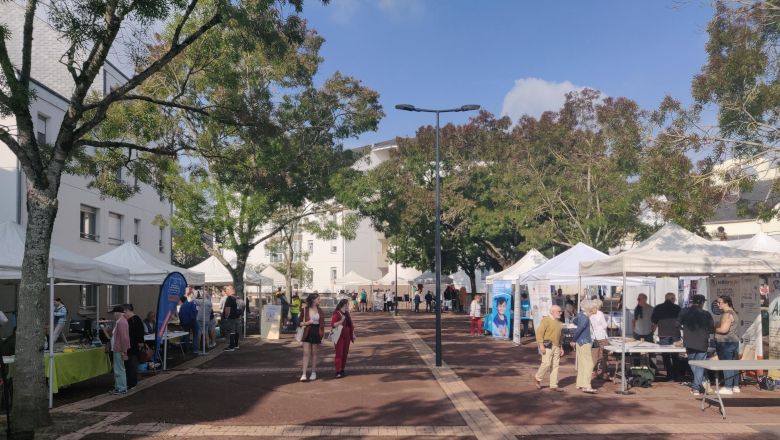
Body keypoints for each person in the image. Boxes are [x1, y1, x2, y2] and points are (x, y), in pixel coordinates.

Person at [676, 294, 715, 395]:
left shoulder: (684, 311)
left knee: (693, 363)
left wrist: (685, 330)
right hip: (702, 341)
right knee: (700, 364)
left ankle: (696, 386)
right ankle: (698, 385)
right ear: (702, 303)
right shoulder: (706, 314)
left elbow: (677, 324)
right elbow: (712, 329)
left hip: (689, 341)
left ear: (692, 301)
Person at [651, 293, 682, 382]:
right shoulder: (677, 308)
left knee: (666, 355)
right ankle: (676, 375)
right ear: (672, 299)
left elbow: (653, 320)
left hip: (663, 333)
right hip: (675, 333)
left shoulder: (658, 307)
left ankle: (669, 375)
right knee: (676, 355)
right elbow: (681, 319)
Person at [534, 305, 564, 392]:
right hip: (548, 345)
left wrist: (561, 347)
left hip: (557, 346)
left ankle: (553, 385)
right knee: (546, 364)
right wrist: (541, 344)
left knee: (555, 366)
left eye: (560, 311)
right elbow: (540, 332)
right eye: (559, 311)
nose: (561, 313)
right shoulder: (546, 320)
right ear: (553, 311)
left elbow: (560, 336)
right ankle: (538, 378)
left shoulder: (559, 322)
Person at [714, 295, 740, 394]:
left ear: (726, 303)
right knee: (733, 363)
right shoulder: (733, 313)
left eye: (719, 302)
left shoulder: (727, 315)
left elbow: (724, 330)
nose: (717, 304)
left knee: (726, 363)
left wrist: (713, 329)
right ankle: (735, 386)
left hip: (725, 342)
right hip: (732, 341)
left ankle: (728, 387)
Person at [571, 300, 598, 394]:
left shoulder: (582, 315)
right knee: (588, 364)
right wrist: (573, 340)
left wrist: (575, 340)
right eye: (595, 308)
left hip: (581, 342)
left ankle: (580, 383)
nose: (596, 309)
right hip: (584, 342)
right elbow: (579, 329)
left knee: (583, 363)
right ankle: (586, 385)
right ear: (591, 309)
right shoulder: (585, 317)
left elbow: (576, 322)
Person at [299, 293, 324, 382]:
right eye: (318, 299)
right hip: (307, 331)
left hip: (316, 331)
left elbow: (322, 325)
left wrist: (322, 337)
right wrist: (307, 322)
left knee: (314, 353)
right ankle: (304, 374)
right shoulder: (305, 309)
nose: (319, 300)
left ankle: (313, 372)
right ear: (313, 300)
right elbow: (299, 323)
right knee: (306, 353)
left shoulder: (320, 310)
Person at [331, 299, 356, 378]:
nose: (348, 305)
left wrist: (353, 333)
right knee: (339, 353)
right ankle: (338, 370)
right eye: (348, 304)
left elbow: (350, 324)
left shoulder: (347, 313)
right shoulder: (337, 313)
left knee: (345, 353)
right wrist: (341, 320)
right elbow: (333, 324)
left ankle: (342, 369)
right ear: (345, 305)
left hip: (347, 335)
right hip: (339, 335)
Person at [123, 304, 145, 389]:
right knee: (127, 364)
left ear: (127, 310)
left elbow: (140, 331)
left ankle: (132, 382)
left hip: (133, 346)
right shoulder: (125, 320)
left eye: (123, 312)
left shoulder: (135, 319)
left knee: (131, 363)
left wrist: (140, 342)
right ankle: (128, 381)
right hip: (126, 345)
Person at [108, 306, 130, 395]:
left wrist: (123, 350)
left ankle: (121, 387)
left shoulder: (120, 323)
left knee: (119, 369)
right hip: (119, 348)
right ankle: (118, 386)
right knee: (118, 368)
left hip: (119, 349)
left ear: (117, 313)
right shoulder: (122, 322)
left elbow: (123, 338)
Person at [590, 299, 610, 381]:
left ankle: (594, 372)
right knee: (604, 355)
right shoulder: (600, 314)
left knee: (594, 355)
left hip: (594, 337)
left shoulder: (590, 314)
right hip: (602, 336)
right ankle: (605, 373)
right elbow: (605, 325)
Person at [222, 286, 241, 352]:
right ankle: (236, 344)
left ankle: (231, 346)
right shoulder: (237, 297)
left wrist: (226, 317)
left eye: (226, 290)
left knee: (231, 331)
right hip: (237, 316)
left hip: (231, 317)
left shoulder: (229, 298)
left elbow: (227, 308)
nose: (226, 291)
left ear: (229, 290)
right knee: (236, 331)